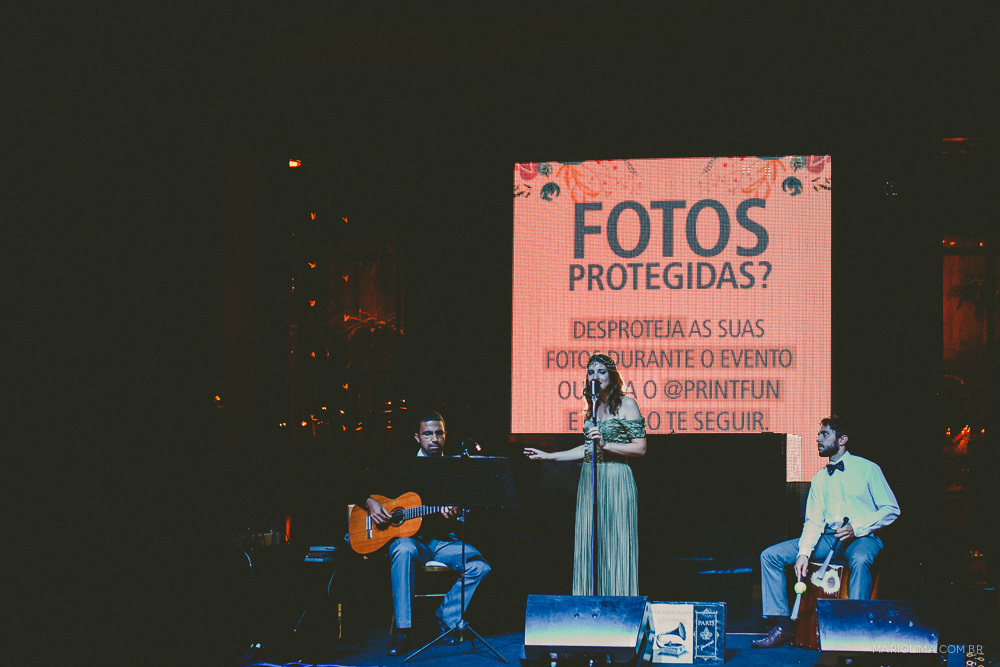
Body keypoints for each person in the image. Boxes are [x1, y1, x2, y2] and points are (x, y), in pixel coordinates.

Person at [752, 415, 900, 648]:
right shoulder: (820, 478)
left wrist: (857, 527)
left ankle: (856, 628)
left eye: (824, 434)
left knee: (861, 560)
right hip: (828, 539)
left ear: (842, 439)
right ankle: (784, 625)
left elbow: (891, 509)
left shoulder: (868, 469)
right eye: (818, 434)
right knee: (770, 556)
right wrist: (803, 552)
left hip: (862, 538)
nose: (817, 439)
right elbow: (813, 522)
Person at [363, 411, 491, 656]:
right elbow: (357, 483)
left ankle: (445, 615)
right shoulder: (401, 466)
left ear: (445, 435)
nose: (434, 439)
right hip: (410, 541)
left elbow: (469, 510)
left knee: (481, 567)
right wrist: (370, 501)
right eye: (428, 434)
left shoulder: (457, 468)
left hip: (444, 542)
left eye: (439, 433)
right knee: (402, 550)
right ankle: (404, 630)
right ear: (417, 437)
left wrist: (457, 514)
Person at [523, 353, 646, 595]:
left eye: (601, 371)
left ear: (612, 376)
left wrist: (606, 446)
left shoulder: (627, 404)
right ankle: (590, 604)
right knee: (591, 543)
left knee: (616, 544)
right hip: (591, 477)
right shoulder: (592, 408)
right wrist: (549, 457)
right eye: (591, 372)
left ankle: (618, 602)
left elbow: (640, 448)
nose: (595, 376)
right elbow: (588, 449)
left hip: (616, 478)